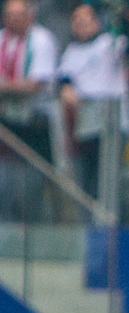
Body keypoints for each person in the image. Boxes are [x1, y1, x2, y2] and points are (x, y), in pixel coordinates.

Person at [56, 3, 129, 200]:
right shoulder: (72, 50)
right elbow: (64, 77)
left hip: (111, 121)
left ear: (96, 22)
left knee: (108, 177)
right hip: (85, 120)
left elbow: (123, 45)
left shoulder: (108, 43)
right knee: (87, 178)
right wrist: (67, 89)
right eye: (77, 21)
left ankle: (109, 214)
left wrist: (117, 17)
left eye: (85, 20)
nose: (81, 25)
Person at [0, 0, 57, 221]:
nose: (13, 20)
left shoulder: (42, 40)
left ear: (29, 16)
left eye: (18, 15)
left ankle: (31, 226)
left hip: (34, 122)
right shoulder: (2, 39)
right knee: (5, 183)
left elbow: (35, 85)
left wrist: (5, 88)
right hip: (6, 121)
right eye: (9, 15)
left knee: (31, 185)